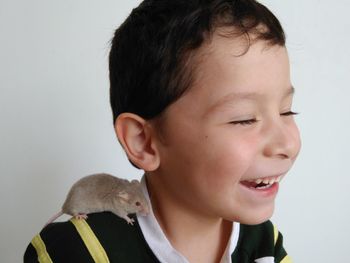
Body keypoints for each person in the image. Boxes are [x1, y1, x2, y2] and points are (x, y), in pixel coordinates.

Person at [24, 0, 301, 262]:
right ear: (143, 141)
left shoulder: (264, 244)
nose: (286, 143)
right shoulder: (75, 251)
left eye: (286, 111)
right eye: (244, 119)